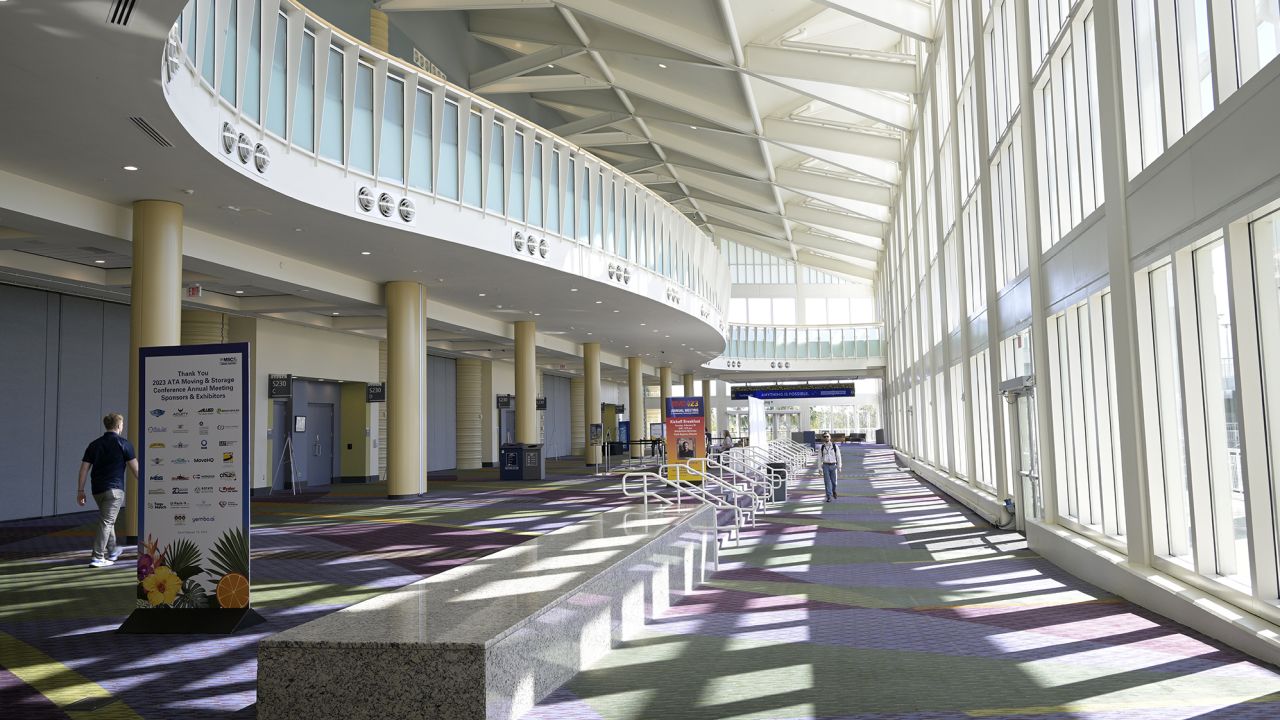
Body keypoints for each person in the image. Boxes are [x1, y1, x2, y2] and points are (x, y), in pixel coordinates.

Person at [77, 413, 138, 567]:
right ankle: (98, 557)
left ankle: (113, 551)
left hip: (97, 490)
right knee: (107, 521)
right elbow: (136, 470)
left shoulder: (94, 444)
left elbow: (84, 469)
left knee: (107, 520)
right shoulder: (124, 444)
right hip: (115, 490)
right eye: (122, 424)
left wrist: (80, 490)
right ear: (118, 426)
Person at [819, 433, 841, 503]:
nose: (826, 438)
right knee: (827, 482)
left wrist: (839, 466)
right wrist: (819, 468)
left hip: (833, 466)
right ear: (823, 438)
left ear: (830, 437)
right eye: (824, 437)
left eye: (827, 436)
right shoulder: (821, 447)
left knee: (834, 482)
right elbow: (819, 458)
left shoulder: (835, 446)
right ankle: (829, 496)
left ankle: (834, 491)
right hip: (825, 466)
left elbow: (838, 457)